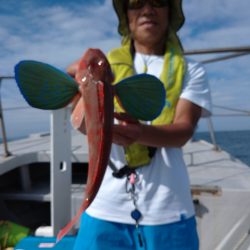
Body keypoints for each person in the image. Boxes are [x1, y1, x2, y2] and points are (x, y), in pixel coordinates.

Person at [69, 0, 211, 249]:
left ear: (172, 12)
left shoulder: (191, 70)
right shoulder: (106, 67)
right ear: (126, 15)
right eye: (135, 3)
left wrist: (139, 133)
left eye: (158, 1)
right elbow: (81, 122)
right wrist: (83, 84)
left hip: (167, 205)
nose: (147, 10)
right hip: (103, 205)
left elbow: (183, 130)